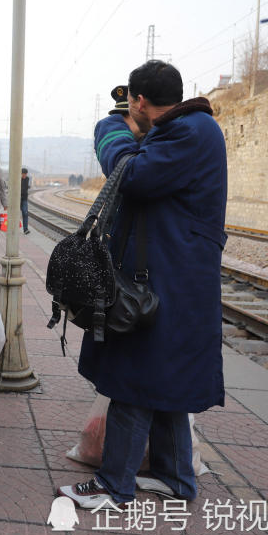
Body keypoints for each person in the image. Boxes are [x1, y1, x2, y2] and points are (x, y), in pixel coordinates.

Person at [58, 60, 227, 509]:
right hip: (176, 277)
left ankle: (115, 486)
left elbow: (132, 177)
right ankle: (176, 479)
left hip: (172, 279)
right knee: (165, 382)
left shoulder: (190, 132)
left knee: (134, 379)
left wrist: (110, 132)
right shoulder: (189, 128)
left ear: (138, 101)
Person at [20, 167, 30, 235]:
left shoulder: (27, 179)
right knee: (14, 214)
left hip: (24, 199)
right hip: (17, 199)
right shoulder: (18, 179)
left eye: (25, 174)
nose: (24, 175)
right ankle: (12, 227)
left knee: (25, 213)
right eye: (23, 174)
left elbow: (24, 188)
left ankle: (25, 229)